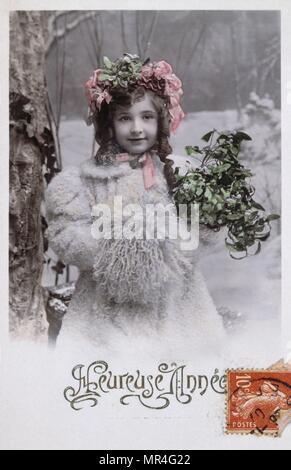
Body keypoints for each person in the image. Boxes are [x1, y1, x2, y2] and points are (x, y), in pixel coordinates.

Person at [45, 54, 225, 352]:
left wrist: (168, 247)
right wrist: (123, 250)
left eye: (146, 117)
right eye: (125, 118)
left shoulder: (181, 172)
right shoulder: (81, 181)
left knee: (182, 382)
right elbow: (67, 237)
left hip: (180, 312)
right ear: (109, 123)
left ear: (161, 120)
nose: (137, 128)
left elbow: (206, 234)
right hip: (103, 316)